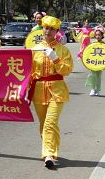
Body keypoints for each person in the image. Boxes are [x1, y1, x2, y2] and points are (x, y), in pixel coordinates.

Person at [29, 15, 73, 168]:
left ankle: (48, 154)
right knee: (44, 124)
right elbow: (28, 72)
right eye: (46, 28)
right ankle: (51, 150)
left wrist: (55, 58)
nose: (48, 31)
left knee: (50, 122)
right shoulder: (34, 49)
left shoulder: (63, 50)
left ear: (57, 32)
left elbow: (67, 70)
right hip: (39, 90)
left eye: (51, 29)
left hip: (57, 90)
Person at [85, 28, 105, 96]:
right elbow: (89, 53)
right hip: (93, 63)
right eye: (96, 35)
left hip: (100, 63)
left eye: (99, 35)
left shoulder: (104, 45)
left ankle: (98, 90)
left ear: (102, 35)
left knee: (98, 77)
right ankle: (92, 89)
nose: (98, 36)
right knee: (92, 76)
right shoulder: (93, 44)